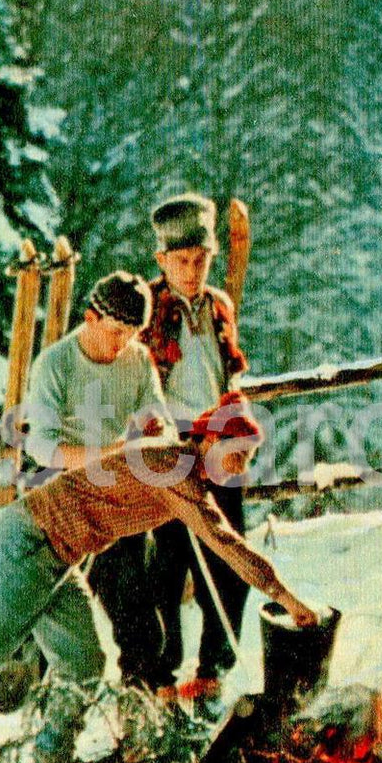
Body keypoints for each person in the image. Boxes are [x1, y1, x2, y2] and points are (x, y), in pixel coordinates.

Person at [0, 392, 319, 763]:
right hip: (27, 542)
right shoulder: (175, 467)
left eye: (249, 457)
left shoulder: (182, 470)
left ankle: (52, 760)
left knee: (84, 663)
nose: (242, 465)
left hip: (56, 555)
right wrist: (287, 598)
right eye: (238, 453)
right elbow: (225, 543)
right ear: (210, 440)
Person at [25, 271, 170, 688]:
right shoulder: (56, 363)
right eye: (117, 332)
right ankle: (40, 704)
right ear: (90, 318)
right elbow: (42, 447)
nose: (123, 343)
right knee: (54, 613)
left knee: (139, 616)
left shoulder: (137, 360)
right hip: (61, 491)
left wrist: (156, 429)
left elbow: (155, 413)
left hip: (115, 493)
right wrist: (106, 455)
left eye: (133, 333)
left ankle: (137, 707)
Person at [139, 193, 253, 697]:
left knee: (233, 562)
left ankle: (212, 673)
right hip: (167, 447)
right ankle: (162, 679)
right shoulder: (147, 310)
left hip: (218, 445)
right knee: (168, 566)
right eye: (181, 261)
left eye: (201, 260)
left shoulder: (219, 306)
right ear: (162, 260)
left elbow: (226, 374)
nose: (192, 270)